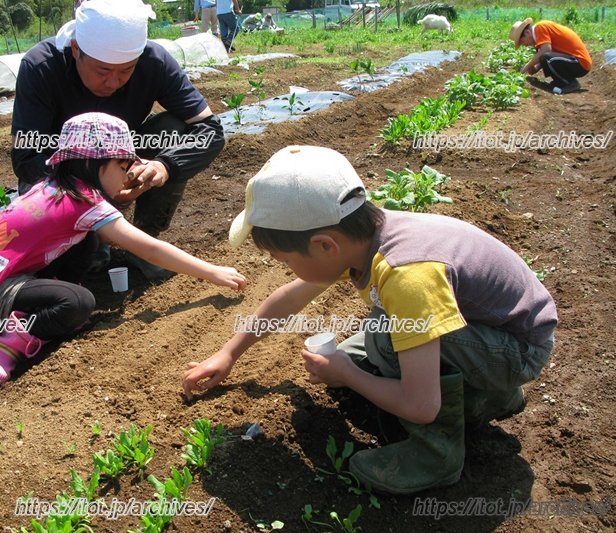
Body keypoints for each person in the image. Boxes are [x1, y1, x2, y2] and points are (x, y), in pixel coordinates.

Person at [183, 146, 557, 494]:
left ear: (324, 246)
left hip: (518, 350)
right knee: (369, 346)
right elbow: (290, 298)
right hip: (490, 333)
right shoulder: (362, 236)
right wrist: (229, 353)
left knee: (386, 340)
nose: (286, 270)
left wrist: (346, 374)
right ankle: (488, 397)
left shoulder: (408, 274)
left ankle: (436, 456)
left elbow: (420, 406)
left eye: (285, 260)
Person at [0, 112, 246, 386]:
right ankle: (7, 343)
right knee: (80, 303)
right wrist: (212, 272)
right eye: (122, 168)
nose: (125, 177)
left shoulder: (56, 185)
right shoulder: (84, 203)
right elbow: (149, 249)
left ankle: (47, 302)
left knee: (87, 238)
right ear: (96, 163)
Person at [12, 0, 225, 279]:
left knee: (173, 128)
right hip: (63, 172)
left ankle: (143, 241)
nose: (114, 82)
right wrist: (91, 189)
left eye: (126, 71)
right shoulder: (42, 66)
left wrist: (163, 166)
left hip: (119, 163)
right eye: (103, 71)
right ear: (77, 50)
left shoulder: (154, 61)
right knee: (73, 260)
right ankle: (81, 246)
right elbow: (27, 157)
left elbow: (210, 130)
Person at [510, 17, 592, 95]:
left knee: (546, 57)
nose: (525, 45)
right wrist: (533, 68)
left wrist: (527, 65)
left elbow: (546, 51)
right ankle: (561, 81)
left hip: (580, 62)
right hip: (572, 62)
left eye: (522, 42)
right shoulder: (539, 39)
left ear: (527, 32)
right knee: (545, 58)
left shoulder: (540, 28)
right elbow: (542, 61)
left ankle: (570, 83)